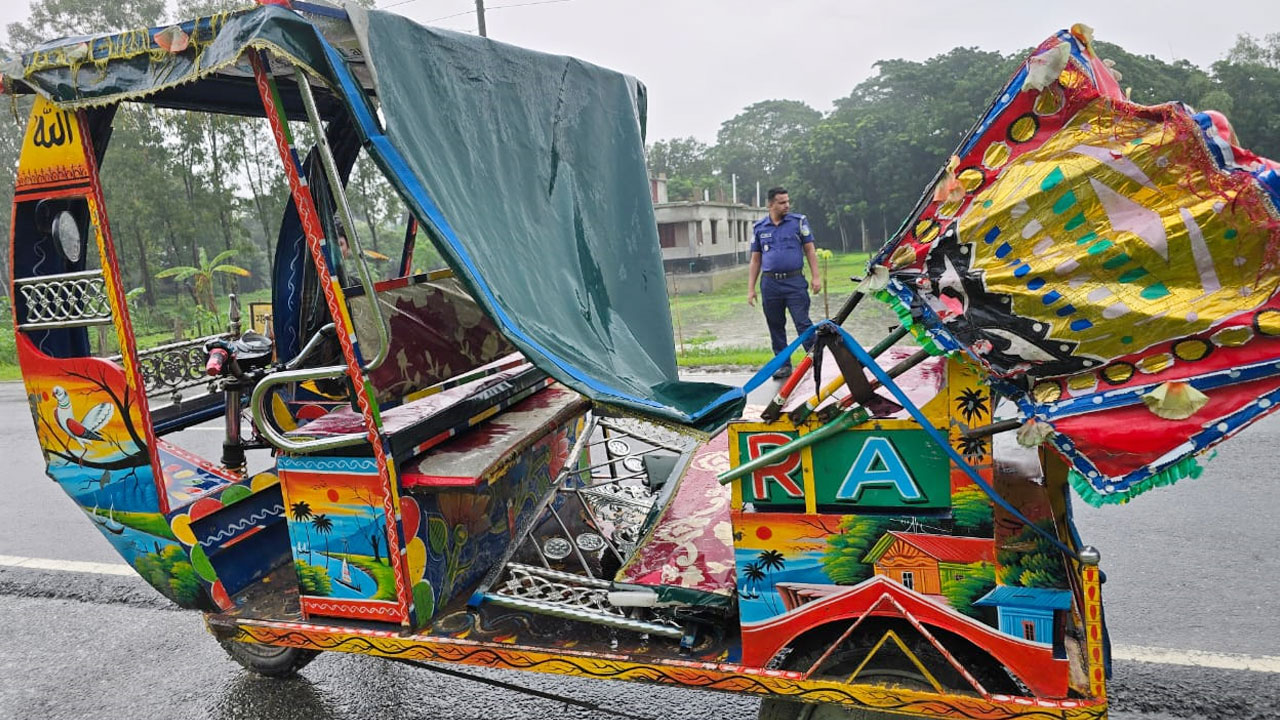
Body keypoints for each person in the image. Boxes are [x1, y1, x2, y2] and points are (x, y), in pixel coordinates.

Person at [747, 187, 821, 380]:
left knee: (803, 322)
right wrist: (751, 289)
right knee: (775, 325)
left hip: (795, 281)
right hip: (770, 284)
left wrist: (816, 277)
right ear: (770, 204)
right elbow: (756, 260)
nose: (786, 205)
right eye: (781, 202)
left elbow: (810, 251)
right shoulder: (759, 228)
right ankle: (783, 365)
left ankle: (816, 360)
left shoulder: (798, 222)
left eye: (788, 201)